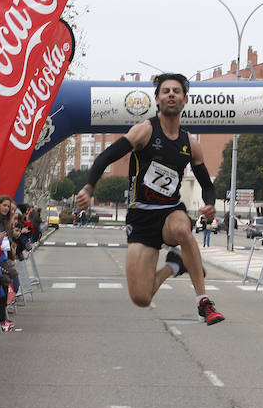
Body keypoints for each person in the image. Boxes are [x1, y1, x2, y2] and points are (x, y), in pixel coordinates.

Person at [74, 73, 223, 324]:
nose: (171, 95)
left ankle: (203, 302)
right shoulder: (144, 131)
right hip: (141, 216)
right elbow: (107, 156)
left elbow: (207, 184)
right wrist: (89, 188)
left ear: (185, 100)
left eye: (176, 91)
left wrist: (210, 204)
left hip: (169, 211)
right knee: (141, 298)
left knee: (183, 231)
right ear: (157, 99)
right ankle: (174, 265)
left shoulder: (190, 143)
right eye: (166, 91)